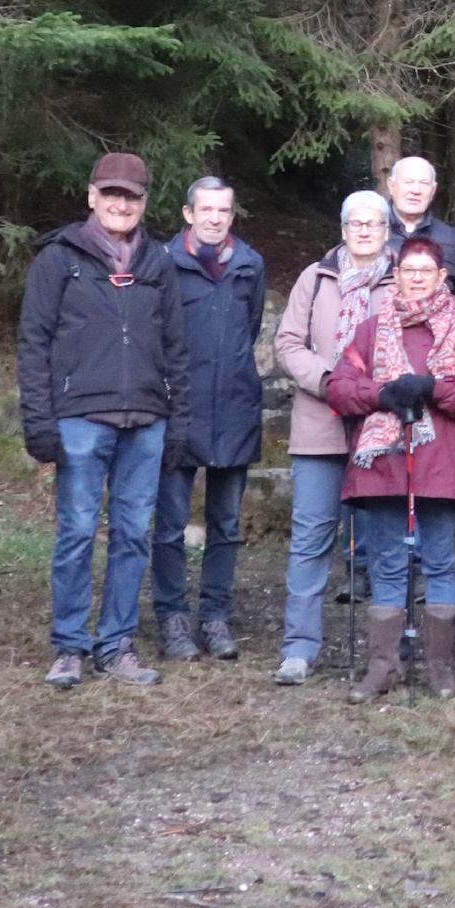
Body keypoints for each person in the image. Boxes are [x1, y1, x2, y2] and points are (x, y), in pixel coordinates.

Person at [18, 152, 189, 689]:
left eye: (131, 196)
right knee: (76, 534)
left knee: (134, 535)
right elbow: (33, 343)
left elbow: (177, 348)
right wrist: (38, 421)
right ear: (92, 196)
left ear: (144, 202)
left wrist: (178, 421)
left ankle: (116, 645)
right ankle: (69, 646)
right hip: (80, 419)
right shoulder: (58, 259)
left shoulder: (159, 263)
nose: (121, 204)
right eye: (111, 193)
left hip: (147, 420)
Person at [326, 236, 455, 702]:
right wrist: (381, 395)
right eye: (408, 270)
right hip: (383, 464)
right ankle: (383, 667)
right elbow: (339, 387)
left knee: (439, 561)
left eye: (426, 271)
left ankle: (440, 669)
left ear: (441, 277)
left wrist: (435, 389)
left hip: (440, 465)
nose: (417, 278)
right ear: (396, 276)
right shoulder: (370, 330)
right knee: (387, 564)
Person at [270, 189, 396, 686]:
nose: (364, 230)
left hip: (381, 425)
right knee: (311, 536)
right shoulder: (315, 277)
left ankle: (387, 652)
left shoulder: (401, 279)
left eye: (373, 223)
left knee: (385, 540)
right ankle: (299, 648)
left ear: (386, 231)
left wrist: (373, 390)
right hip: (319, 422)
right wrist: (327, 381)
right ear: (343, 230)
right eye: (355, 223)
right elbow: (287, 343)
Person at [152, 177, 266, 664]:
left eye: (223, 211)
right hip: (178, 409)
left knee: (227, 524)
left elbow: (250, 327)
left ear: (231, 216)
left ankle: (215, 615)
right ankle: (172, 616)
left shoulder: (249, 265)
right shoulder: (163, 262)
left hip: (235, 407)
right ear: (188, 214)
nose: (215, 219)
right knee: (170, 525)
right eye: (207, 210)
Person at [384, 156, 455, 303]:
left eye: (424, 183)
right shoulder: (369, 234)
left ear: (433, 190)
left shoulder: (450, 238)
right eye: (408, 182)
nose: (416, 190)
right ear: (391, 186)